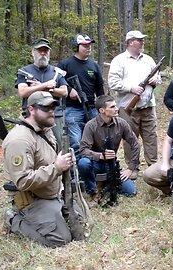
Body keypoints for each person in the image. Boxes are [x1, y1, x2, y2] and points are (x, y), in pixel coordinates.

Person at [2, 91, 74, 248]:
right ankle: (14, 220)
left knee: (79, 225)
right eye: (46, 108)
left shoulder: (45, 129)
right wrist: (56, 168)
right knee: (61, 239)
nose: (51, 112)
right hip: (33, 200)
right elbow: (22, 181)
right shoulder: (19, 140)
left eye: (53, 107)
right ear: (31, 109)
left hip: (51, 193)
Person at [108, 30, 160, 179]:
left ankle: (153, 167)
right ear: (130, 42)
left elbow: (157, 76)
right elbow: (113, 82)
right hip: (128, 108)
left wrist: (155, 80)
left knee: (151, 137)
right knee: (130, 138)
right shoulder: (119, 60)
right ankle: (133, 167)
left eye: (142, 40)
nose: (142, 42)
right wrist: (131, 88)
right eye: (139, 40)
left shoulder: (148, 60)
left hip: (148, 106)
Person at [78, 95, 139, 203]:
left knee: (131, 192)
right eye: (112, 107)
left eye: (115, 106)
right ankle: (93, 191)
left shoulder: (121, 123)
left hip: (112, 165)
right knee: (83, 163)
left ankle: (106, 183)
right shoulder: (91, 125)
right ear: (102, 110)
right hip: (95, 164)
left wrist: (130, 168)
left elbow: (135, 144)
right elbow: (83, 150)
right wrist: (100, 155)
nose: (116, 109)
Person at [15, 38, 68, 150]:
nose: (43, 53)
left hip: (54, 115)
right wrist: (45, 85)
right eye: (40, 50)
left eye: (46, 51)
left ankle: (58, 167)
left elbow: (64, 92)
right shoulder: (24, 72)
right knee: (28, 145)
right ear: (33, 52)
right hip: (31, 115)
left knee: (57, 147)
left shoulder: (56, 72)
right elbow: (23, 92)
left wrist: (47, 89)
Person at [58, 34, 104, 155]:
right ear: (76, 46)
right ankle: (77, 171)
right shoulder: (65, 64)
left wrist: (101, 107)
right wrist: (69, 90)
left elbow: (100, 89)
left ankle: (94, 168)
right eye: (84, 45)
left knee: (97, 140)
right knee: (76, 142)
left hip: (92, 108)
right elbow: (56, 82)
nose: (88, 48)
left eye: (89, 45)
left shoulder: (94, 66)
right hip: (72, 109)